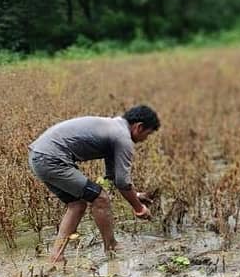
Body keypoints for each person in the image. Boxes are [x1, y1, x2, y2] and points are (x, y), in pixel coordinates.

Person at [28, 105, 160, 263]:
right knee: (100, 198)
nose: (146, 139)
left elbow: (114, 178)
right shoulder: (122, 137)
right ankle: (111, 247)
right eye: (148, 134)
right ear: (139, 127)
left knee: (77, 204)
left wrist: (136, 196)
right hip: (51, 159)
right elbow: (123, 182)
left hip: (38, 156)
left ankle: (56, 256)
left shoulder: (114, 128)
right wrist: (139, 208)